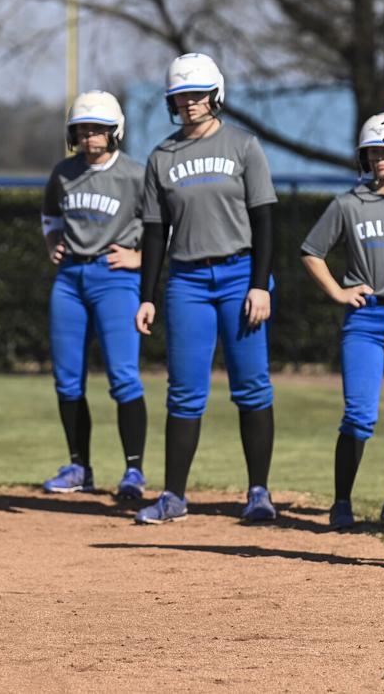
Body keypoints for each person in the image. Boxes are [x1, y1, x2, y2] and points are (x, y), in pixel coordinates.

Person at [134, 52, 279, 524]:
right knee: (184, 392)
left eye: (197, 95)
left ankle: (259, 493)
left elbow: (266, 222)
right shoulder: (162, 156)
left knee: (252, 387)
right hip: (187, 282)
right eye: (180, 97)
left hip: (240, 277)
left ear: (215, 95)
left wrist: (260, 285)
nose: (189, 103)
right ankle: (173, 496)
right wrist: (148, 294)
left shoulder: (244, 146)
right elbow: (154, 231)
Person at [300, 113, 384, 530]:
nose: (379, 158)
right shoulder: (348, 203)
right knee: (358, 414)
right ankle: (341, 502)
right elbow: (311, 251)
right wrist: (337, 291)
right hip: (365, 318)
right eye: (372, 151)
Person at [40, 90, 149, 499]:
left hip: (115, 277)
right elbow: (50, 213)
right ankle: (78, 467)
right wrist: (52, 240)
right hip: (70, 278)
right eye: (83, 129)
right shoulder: (63, 172)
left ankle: (134, 471)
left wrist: (140, 257)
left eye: (98, 129)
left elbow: (163, 223)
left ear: (115, 131)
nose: (90, 136)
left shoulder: (135, 174)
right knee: (68, 380)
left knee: (123, 377)